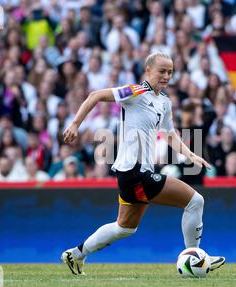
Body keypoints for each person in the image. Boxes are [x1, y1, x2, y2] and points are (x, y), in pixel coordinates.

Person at [61, 52, 225, 275]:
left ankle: (75, 255)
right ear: (148, 70)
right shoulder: (135, 92)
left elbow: (169, 134)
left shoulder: (164, 102)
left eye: (170, 72)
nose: (166, 76)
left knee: (125, 227)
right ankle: (195, 257)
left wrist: (190, 155)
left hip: (136, 173)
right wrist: (75, 124)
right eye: (162, 71)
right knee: (195, 201)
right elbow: (96, 95)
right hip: (133, 171)